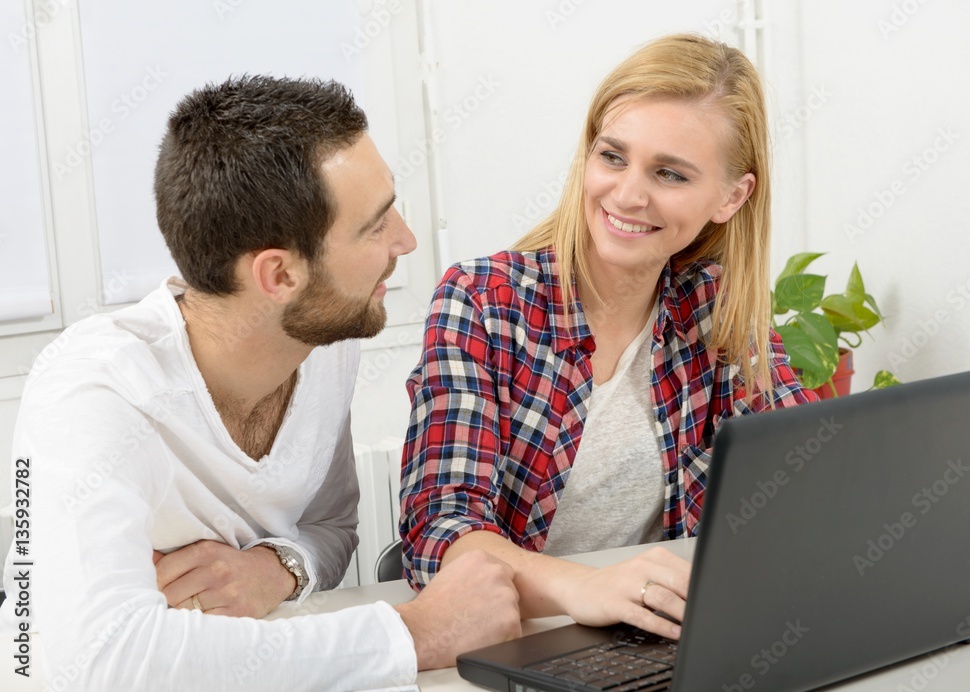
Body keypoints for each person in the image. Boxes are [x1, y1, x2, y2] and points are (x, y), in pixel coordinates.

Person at [0, 75, 519, 691]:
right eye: (375, 226)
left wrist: (280, 568)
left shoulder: (326, 343)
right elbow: (101, 661)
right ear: (279, 274)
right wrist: (414, 633)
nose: (404, 240)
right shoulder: (92, 387)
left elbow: (331, 528)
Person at [399, 34, 818, 640]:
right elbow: (440, 534)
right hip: (522, 638)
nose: (626, 195)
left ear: (732, 197)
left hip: (655, 638)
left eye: (670, 173)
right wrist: (587, 586)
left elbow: (809, 484)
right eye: (613, 157)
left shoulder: (716, 307)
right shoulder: (484, 301)